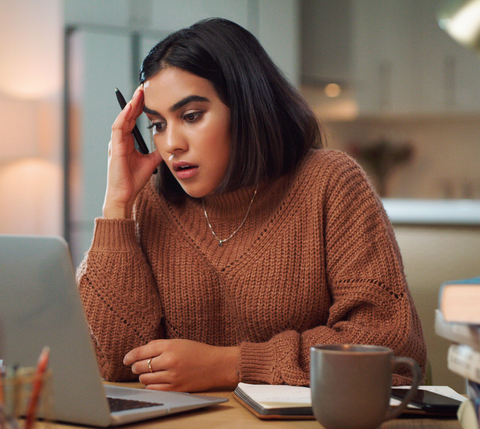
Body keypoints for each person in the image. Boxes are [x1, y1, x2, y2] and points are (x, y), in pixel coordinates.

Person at [76, 17, 427, 393]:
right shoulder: (150, 202)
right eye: (157, 124)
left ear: (247, 108)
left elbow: (390, 346)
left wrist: (231, 365)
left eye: (191, 116)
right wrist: (117, 205)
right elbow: (115, 360)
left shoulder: (331, 183)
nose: (171, 143)